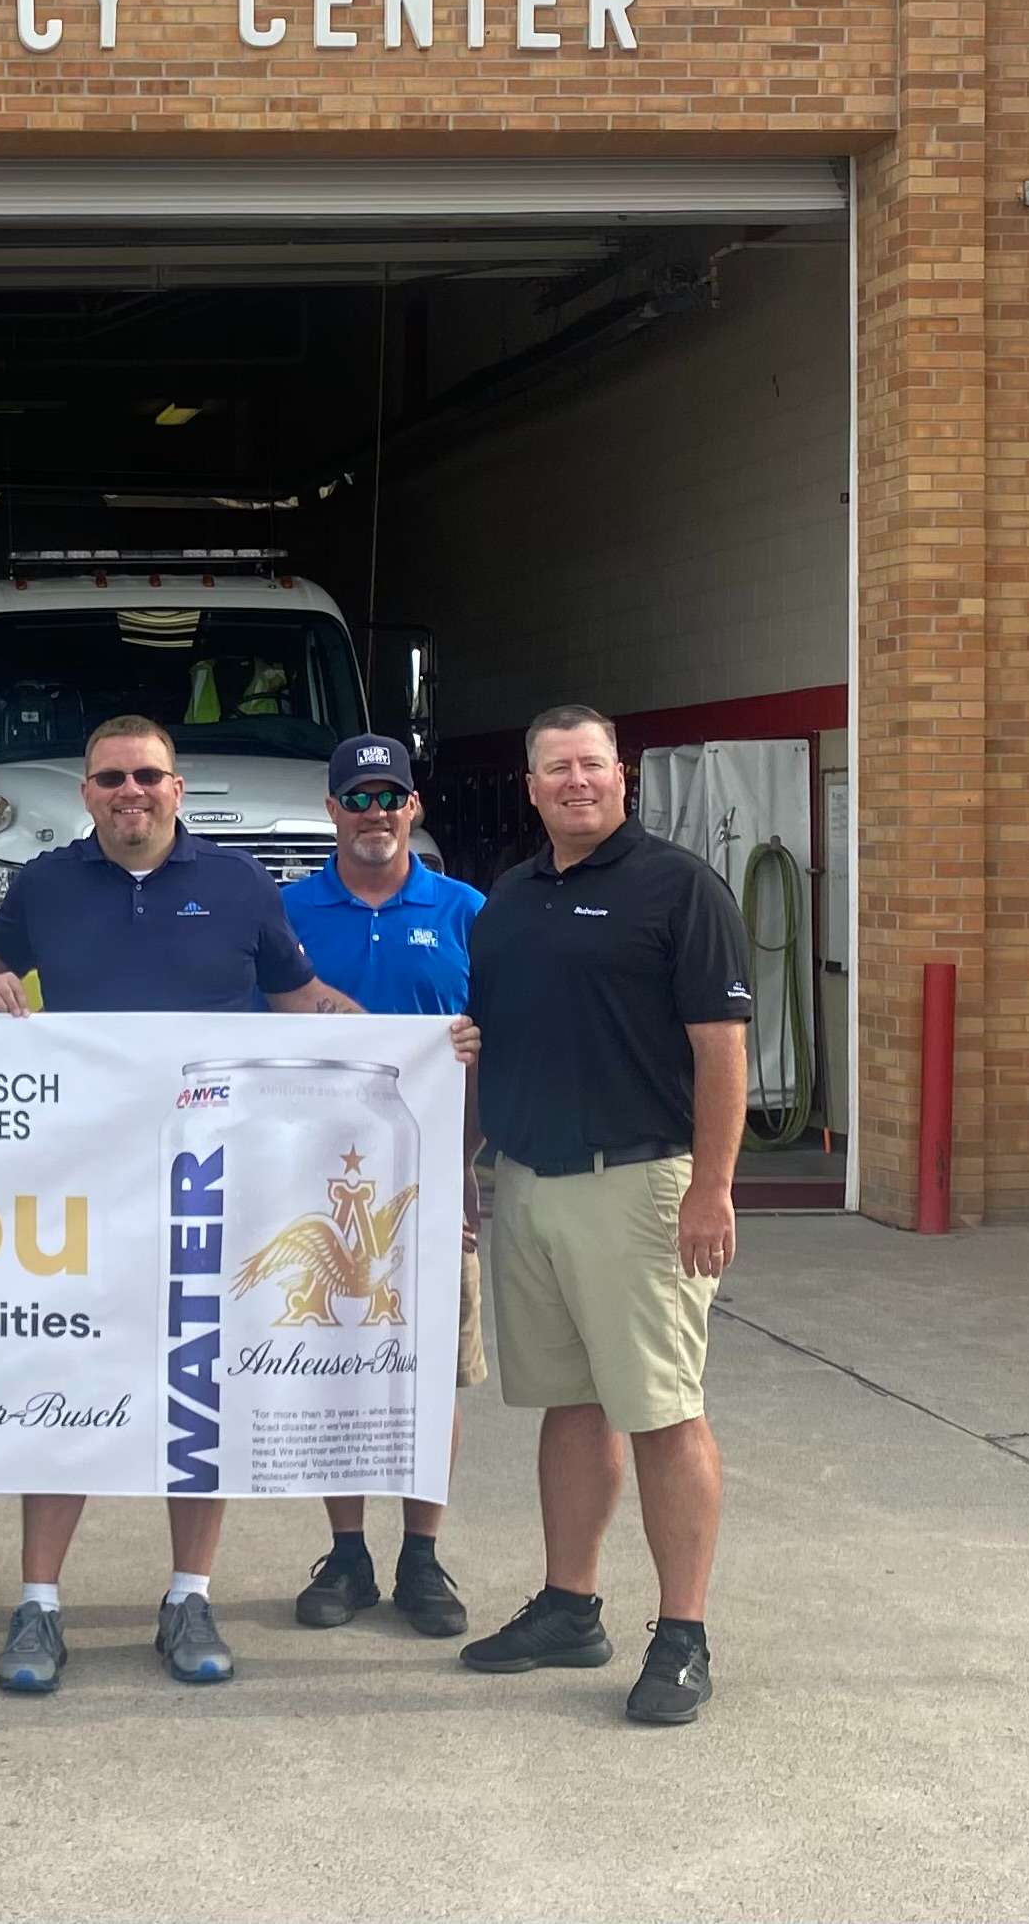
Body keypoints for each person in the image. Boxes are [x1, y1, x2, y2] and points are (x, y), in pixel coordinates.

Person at [0, 713, 360, 1693]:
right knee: (68, 1386)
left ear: (177, 789)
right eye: (110, 779)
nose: (129, 793)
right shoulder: (44, 884)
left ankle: (190, 1594)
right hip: (85, 1186)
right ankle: (39, 1607)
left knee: (204, 1394)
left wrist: (416, 1048)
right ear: (88, 794)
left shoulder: (238, 888)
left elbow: (298, 998)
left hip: (215, 1187)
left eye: (148, 776)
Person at [459, 706, 753, 1725]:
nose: (575, 782)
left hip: (639, 1188)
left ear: (620, 775)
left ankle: (682, 1637)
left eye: (591, 765)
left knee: (665, 1411)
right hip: (530, 1186)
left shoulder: (681, 888)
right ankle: (570, 1605)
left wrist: (713, 1189)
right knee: (568, 1404)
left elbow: (722, 1048)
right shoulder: (507, 901)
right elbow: (486, 1037)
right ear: (531, 785)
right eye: (556, 769)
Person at [280, 734, 490, 1639]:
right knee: (336, 1367)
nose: (374, 813)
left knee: (426, 1372)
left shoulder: (467, 910)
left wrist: (476, 1157)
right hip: (308, 1180)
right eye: (356, 798)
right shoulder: (284, 914)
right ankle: (349, 1551)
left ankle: (422, 1554)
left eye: (389, 797)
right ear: (331, 810)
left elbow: (507, 1028)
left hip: (437, 1176)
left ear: (414, 808)